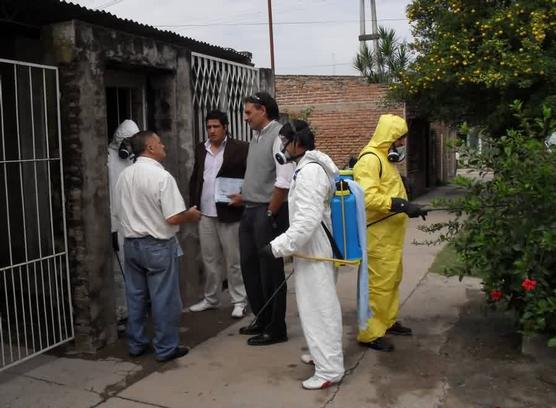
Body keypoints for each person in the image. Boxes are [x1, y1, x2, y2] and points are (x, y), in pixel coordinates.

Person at [261, 120, 345, 390]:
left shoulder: (309, 172)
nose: (282, 148)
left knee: (320, 309)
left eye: (284, 142)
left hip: (315, 251)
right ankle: (319, 353)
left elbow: (307, 221)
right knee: (317, 306)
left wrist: (277, 247)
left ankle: (329, 369)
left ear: (296, 143)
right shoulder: (312, 165)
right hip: (315, 250)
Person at [114, 130, 201, 362]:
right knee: (164, 298)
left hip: (131, 244)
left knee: (135, 297)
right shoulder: (162, 177)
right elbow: (173, 217)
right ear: (149, 148)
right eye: (160, 143)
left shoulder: (125, 175)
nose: (164, 146)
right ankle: (165, 348)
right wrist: (190, 215)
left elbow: (118, 211)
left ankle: (137, 343)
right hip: (157, 246)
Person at [352, 114, 427, 352]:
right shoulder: (370, 160)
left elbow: (387, 188)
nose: (402, 144)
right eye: (400, 140)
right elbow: (368, 197)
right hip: (378, 236)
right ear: (390, 138)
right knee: (379, 285)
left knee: (393, 280)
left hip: (391, 236)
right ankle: (370, 333)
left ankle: (388, 321)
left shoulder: (385, 159)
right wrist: (401, 205)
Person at [228, 92, 295, 346]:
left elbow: (283, 181)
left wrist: (270, 213)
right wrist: (244, 197)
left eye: (248, 113)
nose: (245, 118)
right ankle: (262, 317)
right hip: (250, 210)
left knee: (270, 271)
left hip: (269, 212)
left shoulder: (278, 137)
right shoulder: (256, 137)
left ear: (263, 110)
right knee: (250, 267)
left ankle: (277, 327)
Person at [188, 110, 249, 318]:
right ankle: (211, 298)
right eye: (209, 127)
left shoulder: (240, 148)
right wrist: (193, 205)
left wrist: (243, 196)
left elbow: (249, 177)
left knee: (233, 260)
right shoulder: (201, 149)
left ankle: (239, 300)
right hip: (205, 213)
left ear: (225, 127)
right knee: (210, 259)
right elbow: (196, 177)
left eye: (216, 127)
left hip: (229, 213)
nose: (211, 131)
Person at [107, 119, 140, 327]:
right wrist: (111, 228)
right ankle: (122, 313)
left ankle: (135, 310)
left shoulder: (133, 162)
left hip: (133, 223)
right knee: (119, 271)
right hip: (117, 224)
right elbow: (109, 196)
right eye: (127, 142)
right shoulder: (108, 160)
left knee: (133, 269)